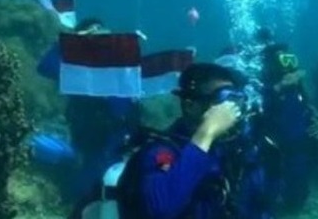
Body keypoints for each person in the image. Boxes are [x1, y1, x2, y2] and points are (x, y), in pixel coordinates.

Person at [113, 63, 278, 219]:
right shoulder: (161, 151)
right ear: (190, 106)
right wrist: (206, 132)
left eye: (235, 100)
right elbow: (161, 208)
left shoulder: (232, 150)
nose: (230, 111)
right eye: (223, 101)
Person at [36, 18, 140, 202]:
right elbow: (45, 67)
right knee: (84, 193)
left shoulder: (117, 64)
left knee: (119, 188)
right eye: (91, 35)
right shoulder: (74, 69)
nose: (96, 40)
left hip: (118, 138)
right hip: (88, 140)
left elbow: (131, 100)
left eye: (101, 35)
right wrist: (66, 42)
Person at [260, 43, 318, 213]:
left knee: (296, 199)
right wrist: (279, 87)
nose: (287, 64)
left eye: (289, 58)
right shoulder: (263, 84)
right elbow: (258, 103)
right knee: (267, 189)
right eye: (282, 59)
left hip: (298, 145)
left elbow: (308, 107)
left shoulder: (297, 86)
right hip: (271, 145)